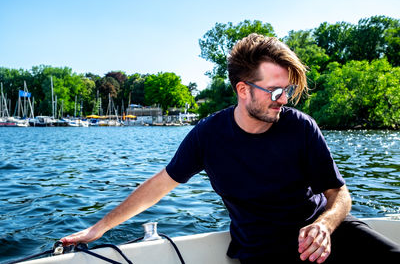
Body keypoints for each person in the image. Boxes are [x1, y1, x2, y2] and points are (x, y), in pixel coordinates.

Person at [62, 34, 400, 263]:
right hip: (263, 250)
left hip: (322, 232)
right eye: (274, 91)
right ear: (243, 89)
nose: (283, 100)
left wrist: (325, 226)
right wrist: (98, 229)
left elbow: (338, 194)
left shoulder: (300, 126)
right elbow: (159, 186)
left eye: (287, 91)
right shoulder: (208, 136)